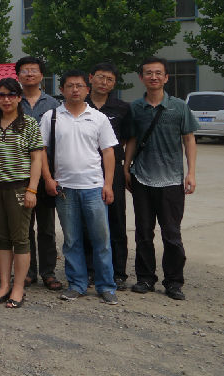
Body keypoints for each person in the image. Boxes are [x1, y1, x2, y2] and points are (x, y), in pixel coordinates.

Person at [40, 71, 119, 304]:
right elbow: (41, 151)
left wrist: (108, 184)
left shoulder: (98, 118)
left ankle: (106, 286)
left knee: (101, 240)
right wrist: (48, 179)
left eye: (79, 86)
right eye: (70, 86)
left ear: (87, 89)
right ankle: (77, 284)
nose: (75, 90)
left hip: (94, 187)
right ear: (62, 89)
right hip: (64, 189)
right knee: (71, 240)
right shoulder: (52, 117)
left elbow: (108, 152)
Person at [124, 57, 198, 301]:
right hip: (142, 179)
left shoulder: (179, 106)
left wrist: (191, 172)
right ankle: (145, 278)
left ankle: (174, 282)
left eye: (158, 73)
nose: (153, 77)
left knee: (172, 234)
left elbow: (189, 139)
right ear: (141, 78)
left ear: (166, 78)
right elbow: (132, 139)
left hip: (172, 181)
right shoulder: (135, 107)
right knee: (144, 233)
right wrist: (126, 168)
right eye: (148, 73)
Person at [0, 77, 44, 309]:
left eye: (11, 95)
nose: (6, 99)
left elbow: (37, 159)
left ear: (19, 98)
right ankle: (4, 285)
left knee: (20, 239)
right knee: (2, 239)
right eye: (2, 95)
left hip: (19, 187)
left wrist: (32, 189)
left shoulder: (29, 124)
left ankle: (18, 288)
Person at [15, 56, 63, 291]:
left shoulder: (54, 104)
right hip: (19, 172)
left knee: (46, 227)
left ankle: (48, 272)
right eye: (25, 71)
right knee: (24, 227)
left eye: (33, 70)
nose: (29, 74)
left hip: (45, 173)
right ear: (18, 76)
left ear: (42, 75)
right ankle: (28, 271)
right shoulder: (13, 101)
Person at [85, 62, 132, 290]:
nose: (104, 82)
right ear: (91, 77)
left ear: (114, 84)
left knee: (116, 221)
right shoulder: (79, 104)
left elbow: (128, 139)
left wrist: (125, 167)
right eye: (100, 77)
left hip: (113, 171)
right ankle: (90, 270)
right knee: (87, 223)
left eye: (109, 79)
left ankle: (118, 272)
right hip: (85, 170)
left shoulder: (122, 108)